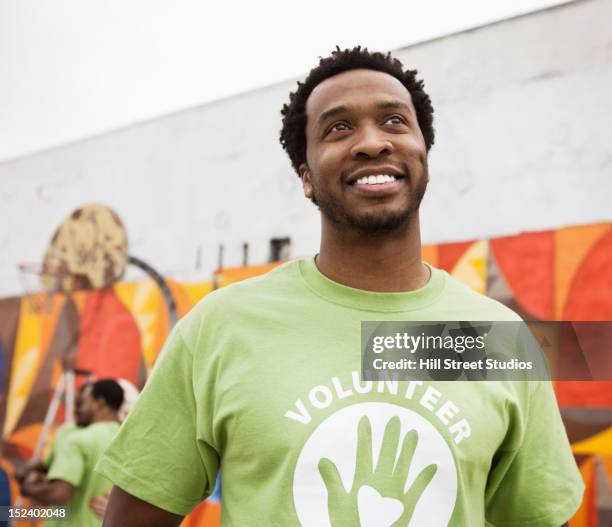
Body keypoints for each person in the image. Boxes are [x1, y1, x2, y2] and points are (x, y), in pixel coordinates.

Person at [97, 47, 584, 526]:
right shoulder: (221, 326)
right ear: (306, 177)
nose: (372, 142)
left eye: (394, 121)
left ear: (424, 155)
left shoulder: (493, 336)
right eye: (338, 128)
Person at [20, 379, 123, 526]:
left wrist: (28, 488)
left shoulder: (76, 439)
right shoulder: (124, 441)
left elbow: (60, 494)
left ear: (99, 403)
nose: (78, 409)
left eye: (83, 402)